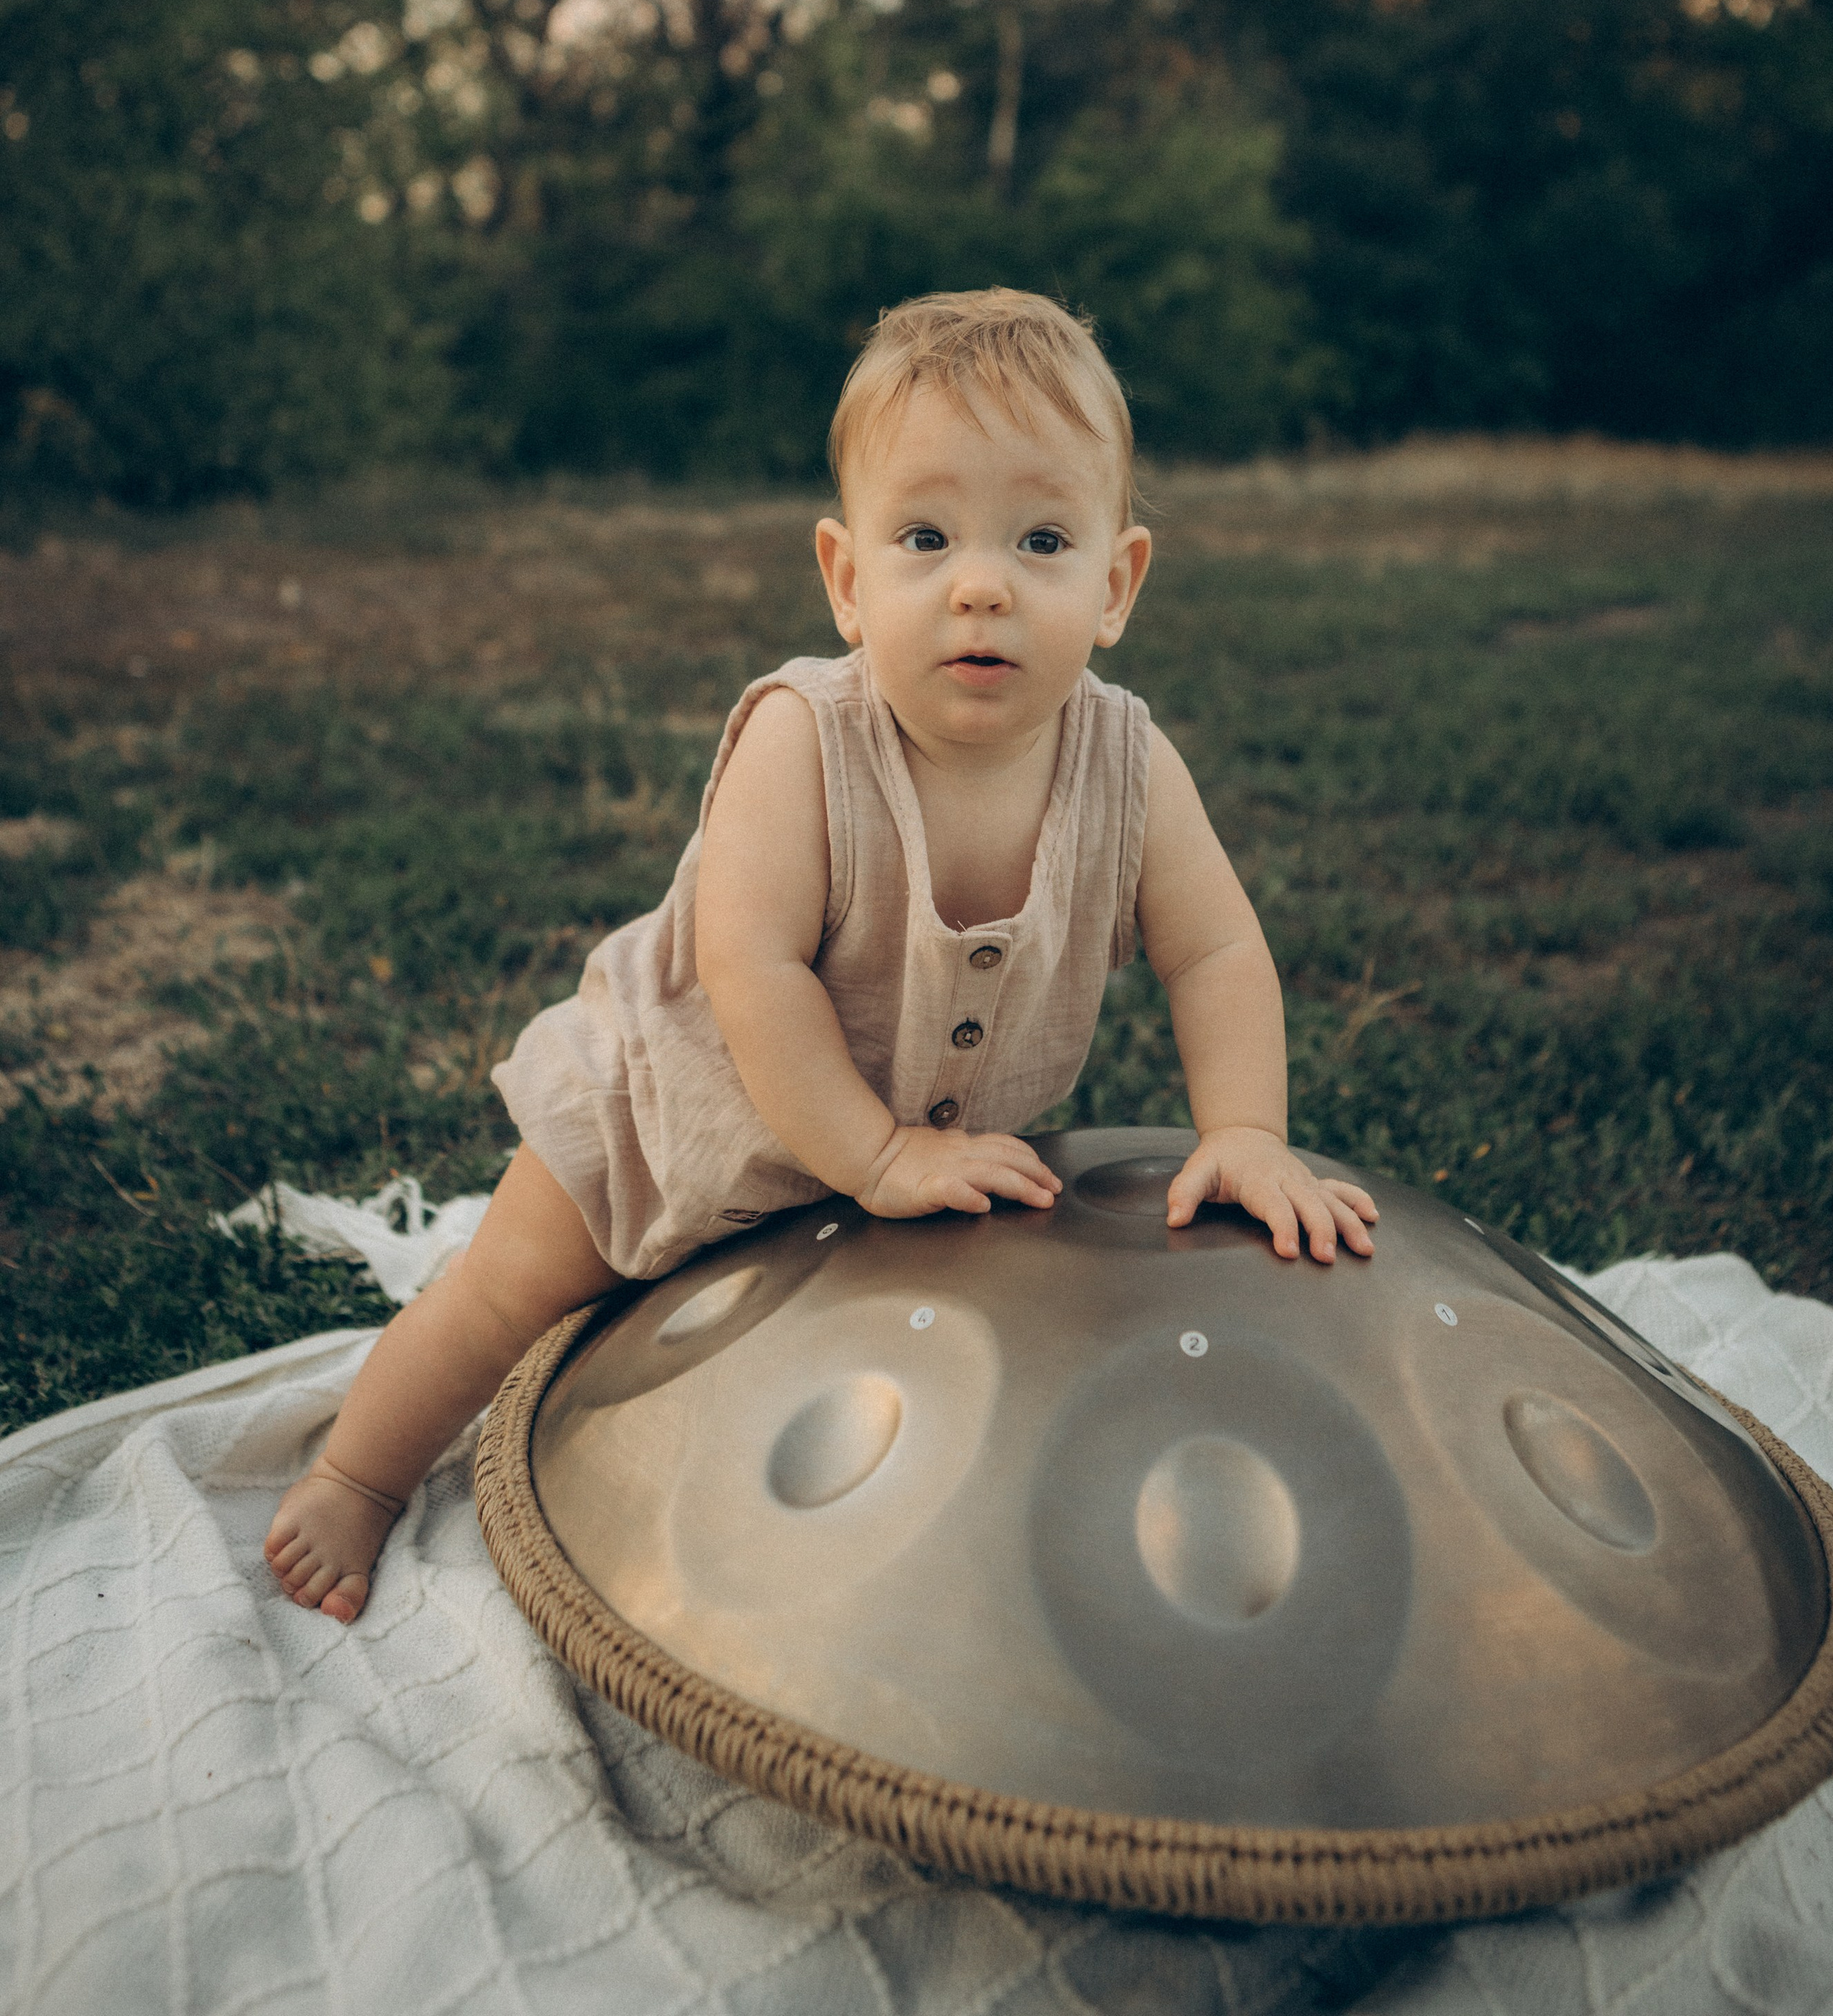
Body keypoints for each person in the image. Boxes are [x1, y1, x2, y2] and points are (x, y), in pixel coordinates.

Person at [265, 289, 1377, 1622]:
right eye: (925, 536)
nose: (982, 582)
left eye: (1040, 538)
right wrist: (882, 1155)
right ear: (848, 582)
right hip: (667, 1115)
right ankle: (357, 1478)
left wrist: (1247, 1127)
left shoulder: (1128, 765)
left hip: (866, 1171)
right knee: (503, 1295)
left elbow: (1216, 951)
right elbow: (754, 973)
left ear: (1116, 585)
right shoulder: (807, 739)